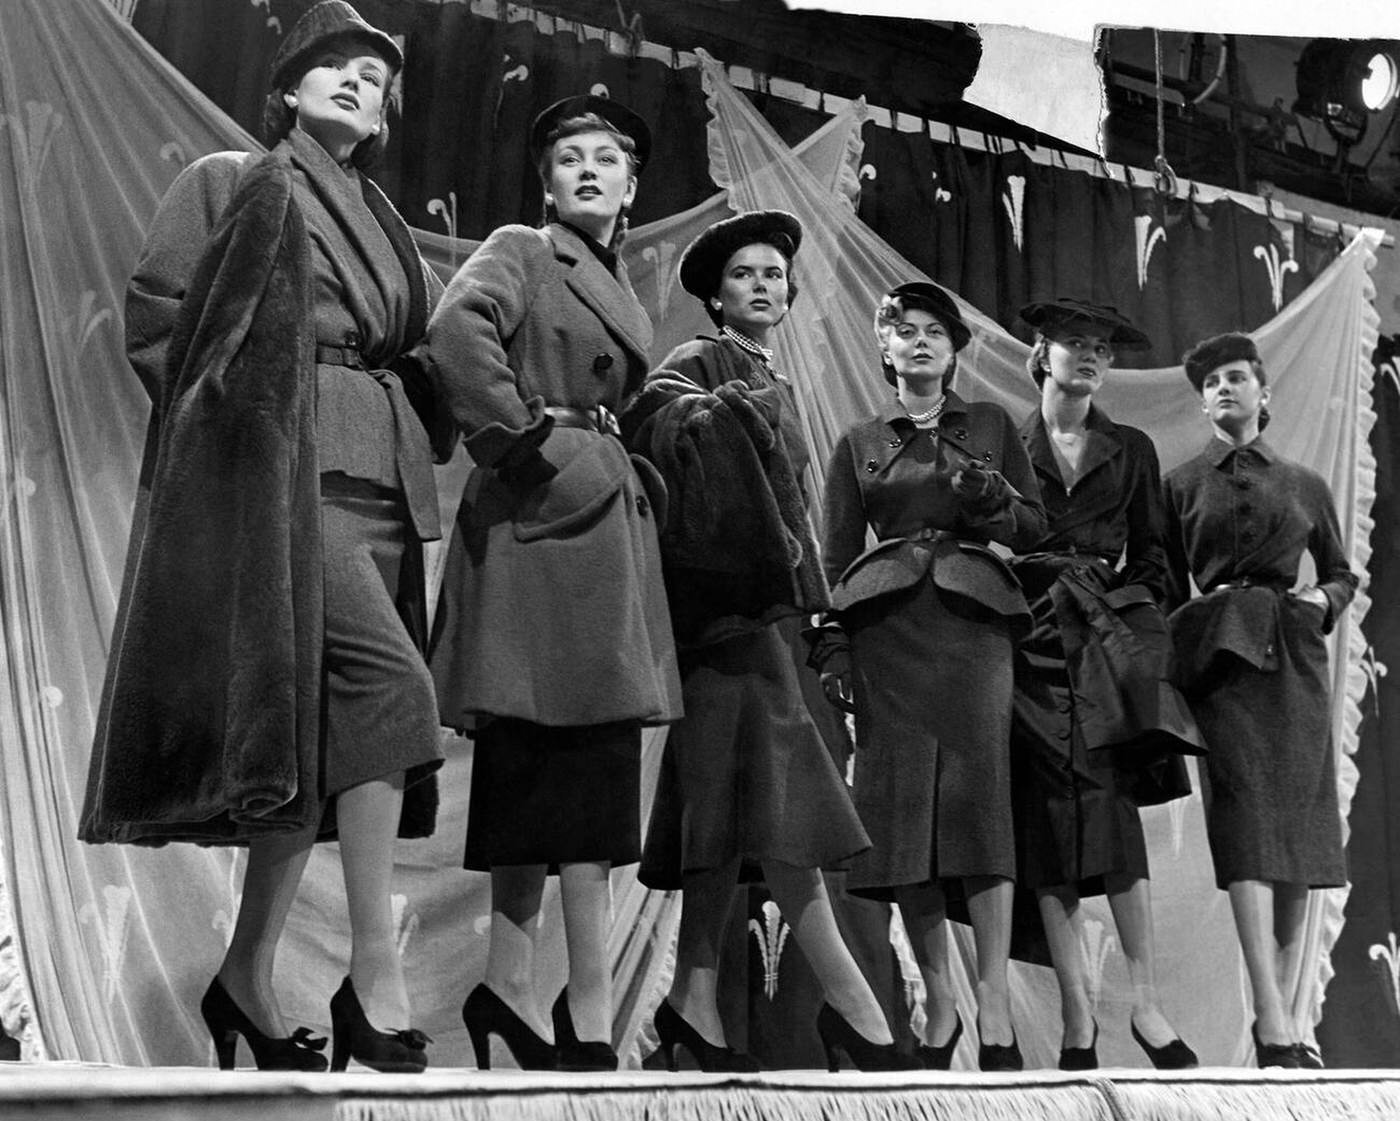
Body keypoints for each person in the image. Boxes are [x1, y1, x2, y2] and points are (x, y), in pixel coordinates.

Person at [80, 0, 447, 1074]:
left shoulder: (379, 212)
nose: (353, 82)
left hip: (379, 484)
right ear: (285, 90)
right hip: (284, 482)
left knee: (321, 743)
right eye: (329, 66)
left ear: (380, 116)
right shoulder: (232, 177)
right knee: (396, 695)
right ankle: (371, 975)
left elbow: (409, 343)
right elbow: (161, 319)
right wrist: (237, 445)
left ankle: (244, 974)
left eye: (371, 77)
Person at [420, 94, 682, 1073]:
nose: (584, 169)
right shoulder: (524, 248)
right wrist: (526, 444)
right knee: (549, 749)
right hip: (542, 516)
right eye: (566, 157)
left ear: (628, 184)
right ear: (544, 182)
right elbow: (457, 331)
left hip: (593, 518)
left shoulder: (616, 277)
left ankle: (524, 990)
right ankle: (568, 1001)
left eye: (604, 157)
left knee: (576, 751)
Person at [620, 211, 913, 1072]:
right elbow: (659, 435)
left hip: (764, 621)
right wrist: (721, 416)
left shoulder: (766, 373)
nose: (761, 284)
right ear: (716, 294)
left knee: (727, 807)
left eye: (774, 275)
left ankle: (693, 1001)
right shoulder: (697, 364)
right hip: (722, 617)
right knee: (782, 808)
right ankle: (856, 1007)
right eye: (744, 274)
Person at [814, 282, 1046, 1071]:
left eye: (934, 333)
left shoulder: (990, 425)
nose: (918, 342)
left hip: (976, 624)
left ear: (953, 349)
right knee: (904, 818)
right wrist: (835, 649)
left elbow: (1037, 528)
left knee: (980, 810)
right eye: (903, 332)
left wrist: (996, 497)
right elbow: (834, 558)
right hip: (885, 633)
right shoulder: (858, 439)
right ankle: (941, 1003)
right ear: (885, 349)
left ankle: (995, 1006)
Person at [1009, 299, 1202, 1071]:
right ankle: (1078, 1020)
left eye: (1099, 349)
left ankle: (1147, 1007)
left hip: (1105, 647)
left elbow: (1159, 555)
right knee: (1051, 828)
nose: (1088, 357)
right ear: (1041, 352)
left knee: (1115, 823)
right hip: (1028, 647)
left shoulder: (1131, 448)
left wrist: (1132, 608)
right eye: (1072, 344)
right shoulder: (1005, 440)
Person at [1163, 332, 1356, 1069]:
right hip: (1223, 666)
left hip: (1294, 662)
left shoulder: (1305, 481)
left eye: (1237, 377)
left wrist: (1319, 602)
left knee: (1299, 833)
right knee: (1244, 827)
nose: (1224, 389)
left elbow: (1341, 571)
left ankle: (1287, 1017)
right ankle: (1272, 1017)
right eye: (1211, 381)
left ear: (1263, 393)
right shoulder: (1180, 484)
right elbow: (1160, 579)